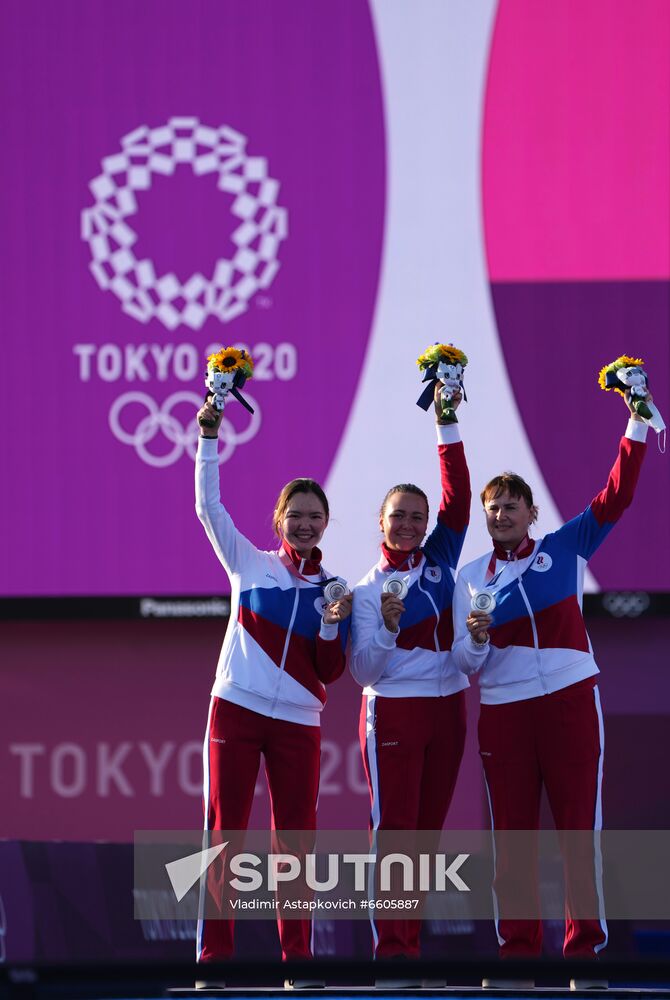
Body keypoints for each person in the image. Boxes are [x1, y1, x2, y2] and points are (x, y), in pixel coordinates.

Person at [451, 390, 649, 986]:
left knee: (576, 832)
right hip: (505, 710)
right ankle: (516, 955)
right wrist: (479, 638)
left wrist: (637, 423)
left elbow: (618, 495)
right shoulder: (468, 579)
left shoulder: (565, 547)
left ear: (532, 514)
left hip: (569, 700)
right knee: (510, 838)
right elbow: (464, 663)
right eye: (493, 508)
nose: (502, 515)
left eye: (512, 506)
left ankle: (583, 954)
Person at [194, 398, 352, 979]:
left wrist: (334, 620)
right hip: (234, 709)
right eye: (296, 515)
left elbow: (331, 670)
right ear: (279, 519)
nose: (305, 524)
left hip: (298, 722)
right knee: (223, 834)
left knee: (296, 845)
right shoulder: (248, 564)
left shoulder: (335, 588)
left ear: (325, 524)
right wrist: (209, 437)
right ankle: (214, 959)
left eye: (315, 516)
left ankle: (299, 960)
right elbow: (207, 507)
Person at [350, 387, 471, 966]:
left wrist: (446, 419)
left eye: (416, 517)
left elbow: (460, 496)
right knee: (394, 835)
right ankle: (393, 956)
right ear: (381, 521)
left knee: (426, 837)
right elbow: (363, 671)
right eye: (398, 515)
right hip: (393, 711)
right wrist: (390, 629)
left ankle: (410, 949)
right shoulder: (366, 590)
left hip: (449, 709)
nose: (407, 524)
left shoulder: (442, 557)